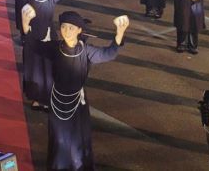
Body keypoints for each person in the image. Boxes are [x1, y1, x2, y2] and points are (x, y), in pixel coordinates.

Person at [23, 10, 129, 171]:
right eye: (63, 27)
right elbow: (34, 46)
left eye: (71, 28)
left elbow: (108, 54)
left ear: (79, 30)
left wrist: (119, 33)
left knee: (78, 138)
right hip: (57, 103)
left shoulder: (86, 51)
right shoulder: (55, 48)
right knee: (59, 138)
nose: (66, 31)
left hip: (78, 105)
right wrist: (26, 24)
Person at [17, 0, 66, 111]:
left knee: (49, 69)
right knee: (34, 69)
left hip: (48, 39)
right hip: (32, 39)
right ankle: (36, 99)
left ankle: (48, 99)